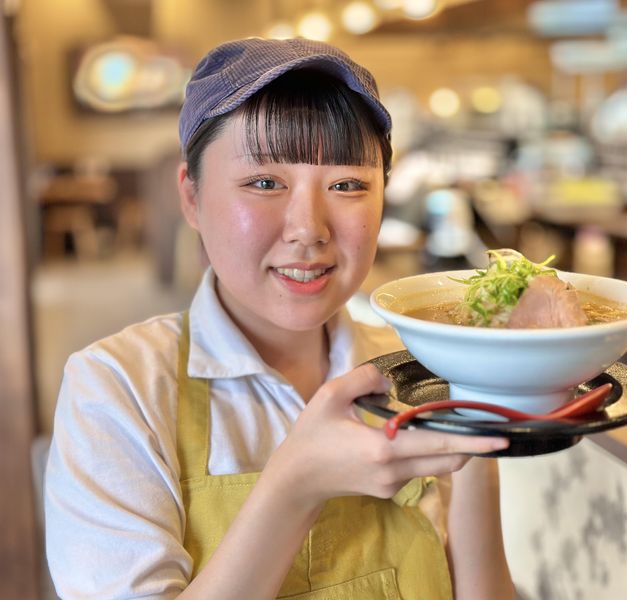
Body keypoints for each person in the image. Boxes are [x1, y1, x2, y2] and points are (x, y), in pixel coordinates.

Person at [45, 37, 514, 599]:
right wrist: (295, 487)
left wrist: (481, 422)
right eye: (264, 183)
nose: (308, 228)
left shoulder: (423, 372)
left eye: (347, 185)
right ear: (191, 197)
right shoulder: (116, 389)